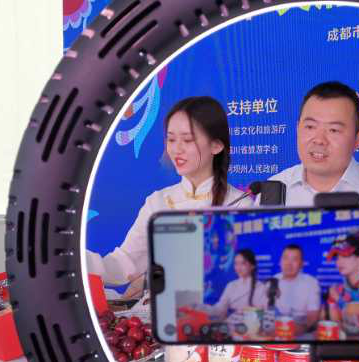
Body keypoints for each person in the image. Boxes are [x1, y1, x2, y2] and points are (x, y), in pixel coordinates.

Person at [86, 96, 248, 297]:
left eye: (187, 140)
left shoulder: (241, 206)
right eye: (171, 139)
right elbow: (124, 264)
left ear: (216, 145)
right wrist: (81, 260)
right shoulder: (157, 202)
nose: (176, 149)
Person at [267, 82, 359, 205]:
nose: (319, 140)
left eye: (333, 130)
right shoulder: (273, 190)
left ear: (358, 139)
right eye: (310, 127)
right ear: (298, 129)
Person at [271, 244, 321, 334]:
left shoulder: (311, 282)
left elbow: (313, 315)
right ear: (280, 262)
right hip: (276, 326)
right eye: (285, 258)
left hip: (302, 328)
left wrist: (300, 329)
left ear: (301, 264)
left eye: (294, 259)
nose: (289, 264)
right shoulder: (273, 280)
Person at [208, 249, 269, 320]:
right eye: (236, 263)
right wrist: (201, 307)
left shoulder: (261, 287)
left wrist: (241, 314)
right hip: (231, 325)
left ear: (252, 266)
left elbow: (262, 314)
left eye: (243, 263)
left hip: (251, 326)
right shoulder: (231, 285)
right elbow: (220, 309)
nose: (238, 267)